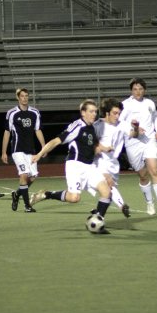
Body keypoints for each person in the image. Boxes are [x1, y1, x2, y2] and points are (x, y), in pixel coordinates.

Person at [30, 99, 112, 233]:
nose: (94, 114)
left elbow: (94, 144)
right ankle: (47, 194)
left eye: (95, 112)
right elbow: (56, 141)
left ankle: (97, 222)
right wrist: (39, 154)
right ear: (83, 113)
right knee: (74, 198)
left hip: (89, 167)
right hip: (75, 166)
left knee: (106, 192)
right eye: (91, 111)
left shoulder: (91, 127)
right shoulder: (77, 126)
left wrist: (104, 148)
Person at [120, 77, 157, 215]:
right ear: (131, 91)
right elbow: (119, 122)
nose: (138, 92)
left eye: (140, 89)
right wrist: (132, 127)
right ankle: (150, 203)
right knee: (143, 175)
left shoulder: (149, 103)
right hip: (133, 142)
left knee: (154, 170)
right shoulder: (125, 105)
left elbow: (154, 117)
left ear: (144, 90)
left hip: (149, 140)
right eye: (135, 89)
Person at [90, 97, 140, 218]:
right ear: (107, 113)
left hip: (113, 163)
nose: (117, 116)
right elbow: (91, 144)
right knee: (108, 185)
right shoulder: (97, 126)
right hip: (98, 162)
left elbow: (134, 135)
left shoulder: (122, 125)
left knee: (108, 191)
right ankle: (121, 206)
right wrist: (101, 148)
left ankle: (98, 213)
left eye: (119, 113)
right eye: (115, 113)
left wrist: (136, 127)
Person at [1, 88, 45, 213]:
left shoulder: (35, 112)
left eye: (26, 96)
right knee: (24, 174)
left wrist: (43, 147)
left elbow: (38, 130)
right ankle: (27, 206)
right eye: (22, 96)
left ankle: (16, 194)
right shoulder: (12, 113)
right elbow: (7, 132)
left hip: (31, 150)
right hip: (17, 149)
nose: (25, 98)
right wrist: (4, 152)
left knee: (32, 177)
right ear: (18, 97)